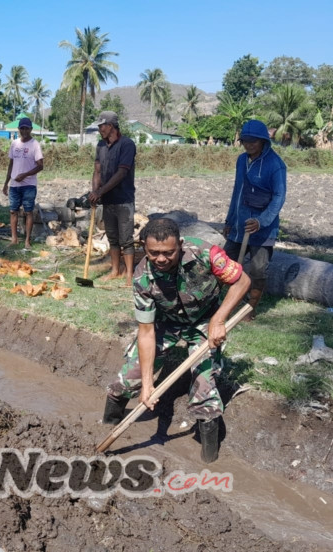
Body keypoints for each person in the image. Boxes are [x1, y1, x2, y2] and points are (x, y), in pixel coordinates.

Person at [103, 218, 251, 462]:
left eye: (168, 253)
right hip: (166, 322)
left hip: (205, 319)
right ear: (144, 247)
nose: (161, 259)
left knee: (205, 386)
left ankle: (209, 456)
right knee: (131, 376)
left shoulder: (206, 253)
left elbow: (242, 280)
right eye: (154, 253)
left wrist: (219, 320)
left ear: (180, 245)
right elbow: (147, 332)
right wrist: (148, 385)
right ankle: (109, 420)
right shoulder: (142, 278)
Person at [223, 119, 287, 320]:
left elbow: (279, 197)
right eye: (245, 141)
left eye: (254, 141)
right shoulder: (242, 160)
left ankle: (249, 309)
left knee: (258, 271)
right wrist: (230, 219)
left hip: (263, 229)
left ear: (263, 141)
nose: (249, 145)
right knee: (225, 264)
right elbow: (238, 190)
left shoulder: (276, 165)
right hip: (240, 225)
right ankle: (225, 302)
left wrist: (262, 221)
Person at [88, 111, 137, 284]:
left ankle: (129, 274)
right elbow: (97, 170)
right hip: (107, 201)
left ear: (111, 126)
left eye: (102, 125)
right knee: (113, 238)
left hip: (124, 200)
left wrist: (100, 192)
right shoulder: (101, 146)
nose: (100, 129)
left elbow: (122, 172)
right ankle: (115, 270)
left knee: (126, 239)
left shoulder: (127, 144)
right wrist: (95, 192)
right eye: (99, 126)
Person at [2, 117, 44, 249]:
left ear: (31, 129)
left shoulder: (35, 145)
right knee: (13, 211)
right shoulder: (14, 144)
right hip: (14, 185)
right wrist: (6, 183)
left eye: (27, 128)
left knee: (28, 212)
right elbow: (11, 164)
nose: (24, 131)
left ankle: (27, 241)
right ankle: (14, 239)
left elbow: (40, 166)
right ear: (19, 129)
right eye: (22, 128)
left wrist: (25, 175)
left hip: (29, 185)